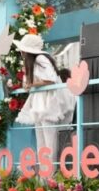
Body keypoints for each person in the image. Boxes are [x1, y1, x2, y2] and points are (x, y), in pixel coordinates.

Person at [12, 33, 75, 165]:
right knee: (42, 143)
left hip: (48, 104)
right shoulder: (34, 61)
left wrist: (32, 84)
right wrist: (29, 84)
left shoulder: (40, 58)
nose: (21, 52)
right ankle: (45, 175)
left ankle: (50, 175)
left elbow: (50, 79)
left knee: (49, 142)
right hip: (40, 104)